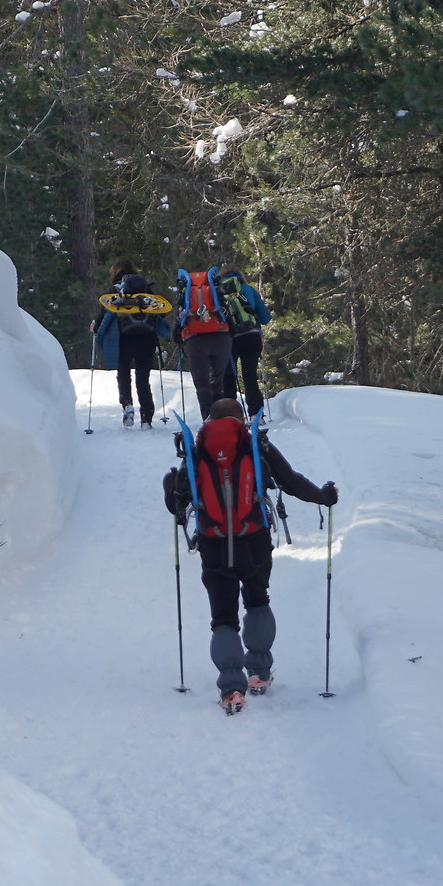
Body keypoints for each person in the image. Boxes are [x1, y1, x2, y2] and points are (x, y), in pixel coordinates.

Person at [163, 397, 338, 713]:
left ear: (209, 420)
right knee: (258, 600)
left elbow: (177, 505)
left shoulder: (197, 451)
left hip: (214, 544)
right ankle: (258, 672)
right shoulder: (256, 445)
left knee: (223, 617)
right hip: (254, 540)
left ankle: (232, 688)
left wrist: (168, 487)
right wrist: (323, 497)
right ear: (241, 420)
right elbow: (291, 481)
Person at [94, 262, 172, 429]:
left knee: (123, 374)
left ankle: (127, 405)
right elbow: (161, 312)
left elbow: (103, 315)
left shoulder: (114, 291)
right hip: (147, 338)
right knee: (143, 379)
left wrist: (96, 328)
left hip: (123, 340)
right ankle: (146, 417)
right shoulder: (145, 289)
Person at [173, 264, 238, 417]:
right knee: (217, 382)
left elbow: (176, 328)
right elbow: (230, 322)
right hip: (221, 337)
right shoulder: (216, 293)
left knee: (202, 383)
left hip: (195, 340)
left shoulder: (186, 296)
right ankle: (221, 417)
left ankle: (208, 417)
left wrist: (179, 339)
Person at [212, 265, 274, 415]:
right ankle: (256, 413)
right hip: (252, 336)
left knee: (228, 377)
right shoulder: (247, 289)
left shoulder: (216, 291)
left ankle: (230, 413)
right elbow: (265, 317)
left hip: (229, 338)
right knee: (250, 376)